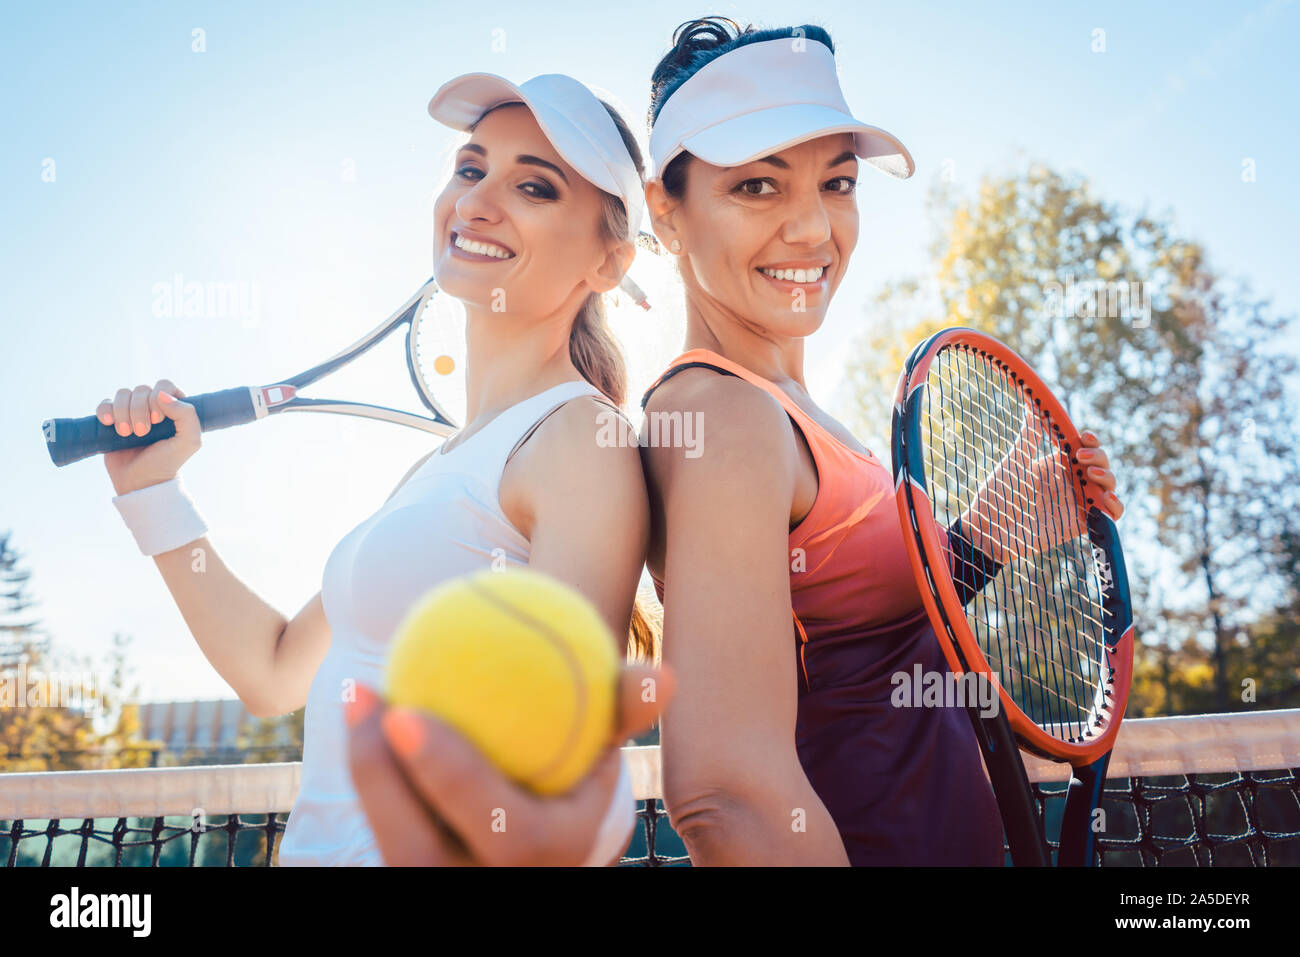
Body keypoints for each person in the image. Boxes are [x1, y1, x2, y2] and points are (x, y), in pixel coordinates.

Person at [99, 71, 658, 865]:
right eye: (470, 168)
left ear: (610, 263)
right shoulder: (438, 469)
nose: (478, 200)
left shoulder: (580, 440)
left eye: (534, 186)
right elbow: (275, 672)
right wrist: (153, 494)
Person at [636, 18, 1126, 865]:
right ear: (665, 211)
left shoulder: (797, 420)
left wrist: (989, 539)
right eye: (757, 186)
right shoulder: (722, 418)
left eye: (838, 183)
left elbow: (854, 661)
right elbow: (722, 790)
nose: (812, 230)